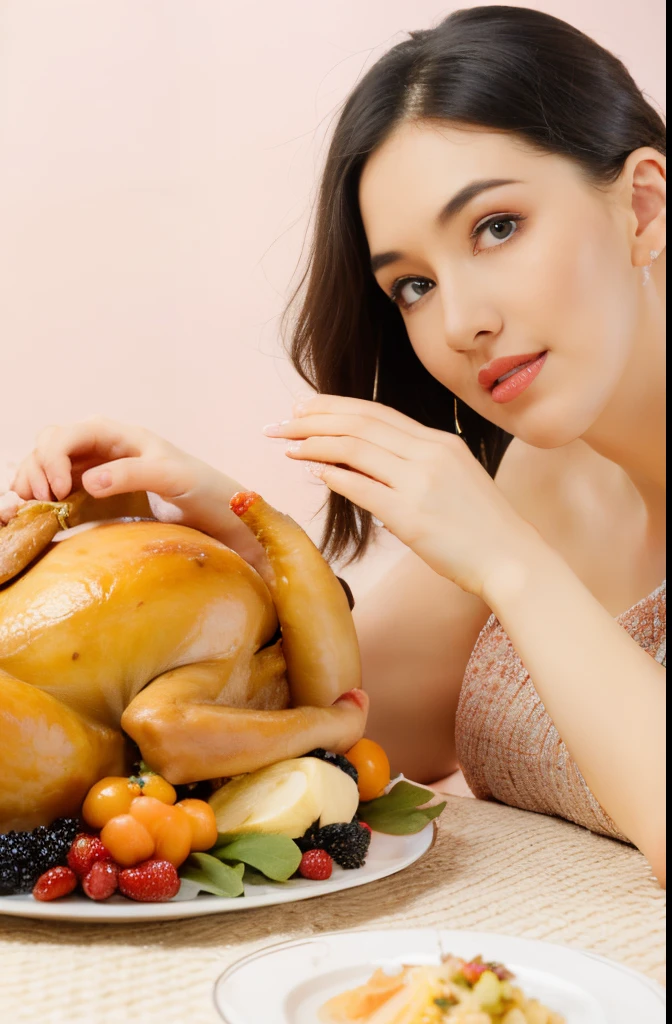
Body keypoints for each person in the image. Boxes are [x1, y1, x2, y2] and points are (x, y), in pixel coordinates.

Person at [2, 7, 665, 884]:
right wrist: (237, 540)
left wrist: (511, 562)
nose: (462, 322)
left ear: (645, 206)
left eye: (498, 227)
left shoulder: (503, 518)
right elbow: (340, 725)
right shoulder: (544, 473)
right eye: (414, 285)